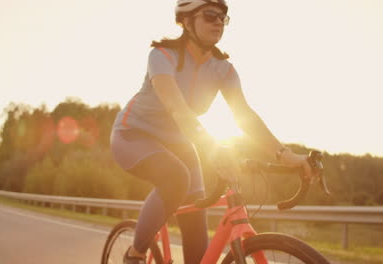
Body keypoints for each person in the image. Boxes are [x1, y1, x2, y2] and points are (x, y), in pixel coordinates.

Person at [110, 1, 317, 263]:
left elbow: (246, 117)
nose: (218, 22)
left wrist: (289, 157)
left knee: (197, 225)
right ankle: (135, 255)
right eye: (209, 16)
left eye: (223, 17)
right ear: (186, 21)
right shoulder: (162, 55)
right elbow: (177, 109)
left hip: (180, 143)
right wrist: (214, 150)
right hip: (134, 135)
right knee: (175, 178)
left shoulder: (223, 68)